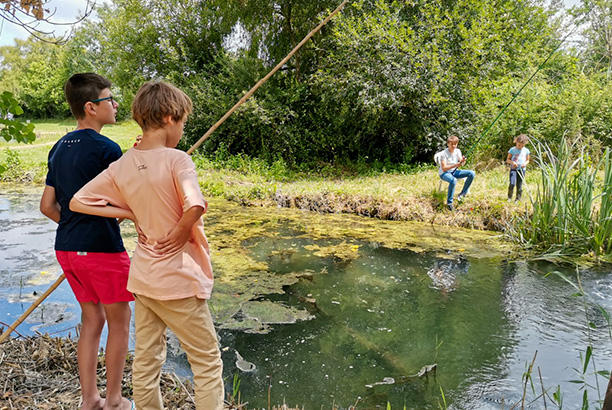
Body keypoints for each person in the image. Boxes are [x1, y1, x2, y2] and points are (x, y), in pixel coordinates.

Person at [69, 80, 224, 410]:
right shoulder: (177, 159)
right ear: (170, 117)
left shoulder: (123, 164)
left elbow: (78, 201)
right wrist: (183, 229)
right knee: (208, 364)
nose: (182, 129)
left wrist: (128, 210)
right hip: (178, 282)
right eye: (182, 122)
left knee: (146, 361)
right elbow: (195, 204)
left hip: (143, 279)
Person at [39, 73, 133, 410]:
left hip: (66, 248)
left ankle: (89, 400)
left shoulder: (58, 146)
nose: (116, 104)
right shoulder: (108, 149)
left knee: (92, 320)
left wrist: (76, 225)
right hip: (103, 251)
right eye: (110, 99)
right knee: (120, 324)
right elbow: (125, 204)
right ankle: (114, 401)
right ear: (91, 107)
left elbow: (47, 206)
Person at [435, 135, 475, 211]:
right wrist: (455, 165)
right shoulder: (443, 154)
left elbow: (461, 163)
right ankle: (449, 203)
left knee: (471, 173)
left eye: (455, 144)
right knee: (453, 180)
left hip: (454, 171)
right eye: (452, 144)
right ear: (448, 144)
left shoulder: (458, 151)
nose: (454, 146)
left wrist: (463, 161)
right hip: (444, 173)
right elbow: (444, 168)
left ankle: (462, 194)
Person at [506, 134, 530, 202]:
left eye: (522, 146)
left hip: (522, 170)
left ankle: (518, 199)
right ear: (516, 142)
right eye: (519, 145)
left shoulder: (526, 150)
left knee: (519, 185)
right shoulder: (512, 150)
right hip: (513, 169)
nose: (520, 147)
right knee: (512, 183)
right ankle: (509, 197)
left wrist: (524, 164)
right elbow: (508, 159)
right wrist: (513, 163)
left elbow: (528, 160)